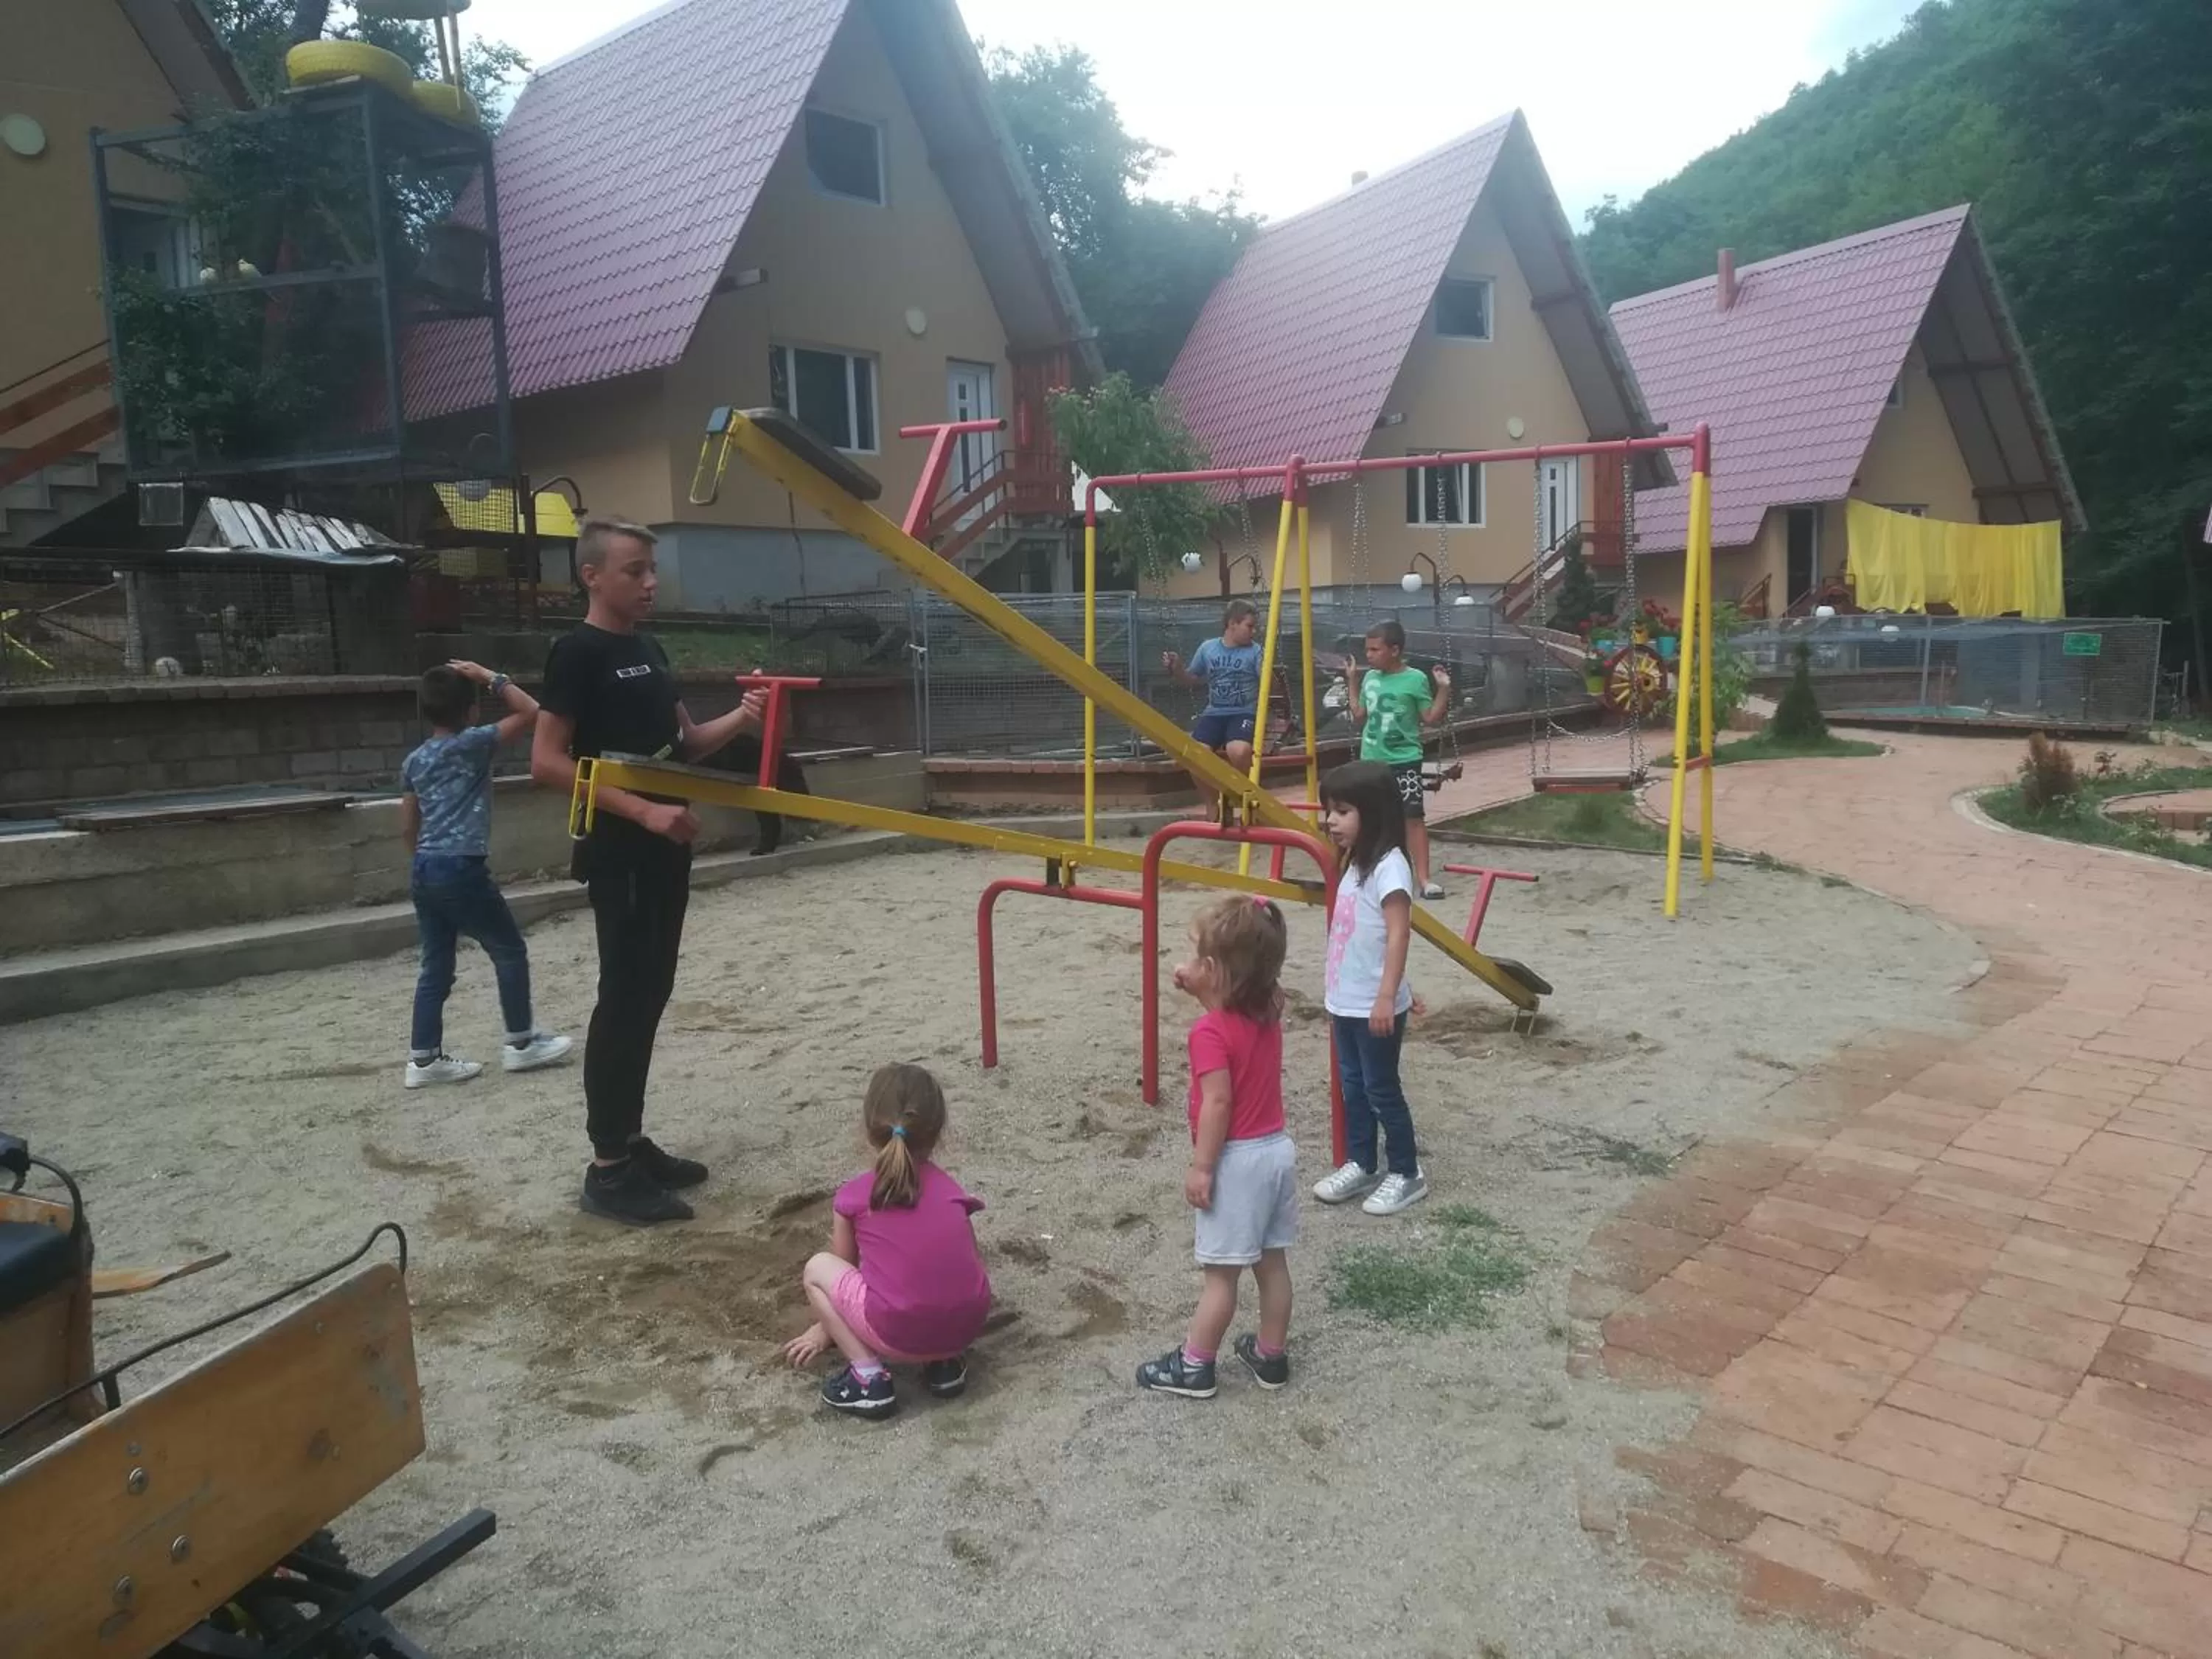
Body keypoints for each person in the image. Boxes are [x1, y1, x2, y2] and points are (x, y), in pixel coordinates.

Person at [530, 518, 768, 1228]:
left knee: (652, 993)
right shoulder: (576, 652)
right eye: (635, 570)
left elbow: (684, 744)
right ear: (592, 576)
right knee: (624, 999)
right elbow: (547, 761)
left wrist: (742, 718)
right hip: (621, 850)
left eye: (652, 570)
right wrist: (641, 812)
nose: (650, 582)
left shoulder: (648, 648)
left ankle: (630, 1143)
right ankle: (607, 1171)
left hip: (667, 846)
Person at [1136, 894, 1296, 1399]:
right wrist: (1205, 985)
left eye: (1195, 955)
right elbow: (1242, 999)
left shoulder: (1207, 1032)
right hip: (1276, 1152)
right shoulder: (1269, 1008)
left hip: (1237, 1161)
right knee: (1272, 1265)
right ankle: (1271, 1356)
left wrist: (1202, 1167)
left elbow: (1218, 1102)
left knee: (1220, 1277)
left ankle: (1194, 1365)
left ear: (1213, 969)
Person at [781, 1063, 990, 1419]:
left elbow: (844, 1272)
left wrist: (824, 1328)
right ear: (938, 1132)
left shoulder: (853, 1197)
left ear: (869, 1131)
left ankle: (867, 1377)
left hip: (896, 1332)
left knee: (818, 1269)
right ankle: (943, 1365)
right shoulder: (955, 1194)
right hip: (964, 1327)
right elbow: (969, 1259)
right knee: (938, 1272)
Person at [398, 661, 572, 1089]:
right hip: (462, 865)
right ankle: (520, 1042)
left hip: (425, 866)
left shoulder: (414, 761)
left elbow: (408, 822)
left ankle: (423, 1059)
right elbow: (533, 712)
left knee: (435, 964)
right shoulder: (474, 744)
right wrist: (489, 676)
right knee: (508, 948)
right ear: (472, 712)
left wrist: (421, 859)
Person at [1311, 760, 1429, 1216]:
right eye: (1329, 811)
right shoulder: (1356, 864)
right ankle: (1362, 1162)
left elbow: (1399, 932)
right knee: (1353, 1086)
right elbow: (1366, 935)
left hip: (1373, 1005)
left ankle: (1406, 1172)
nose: (1330, 821)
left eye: (1342, 811)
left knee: (1381, 1088)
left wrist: (1389, 994)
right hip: (1345, 1001)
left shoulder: (1390, 868)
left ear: (1373, 812)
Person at [1345, 619, 1451, 899]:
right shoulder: (1370, 678)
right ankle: (1364, 872)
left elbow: (1430, 718)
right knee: (1368, 818)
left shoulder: (1414, 679)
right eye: (1367, 650)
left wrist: (1443, 688)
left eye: (1374, 650)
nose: (1368, 655)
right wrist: (1353, 681)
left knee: (1412, 818)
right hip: (1372, 761)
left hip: (1404, 760)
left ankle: (1425, 879)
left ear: (1394, 650)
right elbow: (1359, 716)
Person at [1162, 599, 1262, 813]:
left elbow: (1269, 686)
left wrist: (1269, 673)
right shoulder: (1208, 649)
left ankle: (1239, 793)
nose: (1253, 632)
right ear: (1232, 624)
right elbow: (1191, 678)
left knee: (1239, 750)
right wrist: (1177, 668)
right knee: (1195, 754)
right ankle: (1212, 804)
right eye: (1250, 626)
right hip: (1215, 713)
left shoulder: (1256, 652)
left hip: (1243, 712)